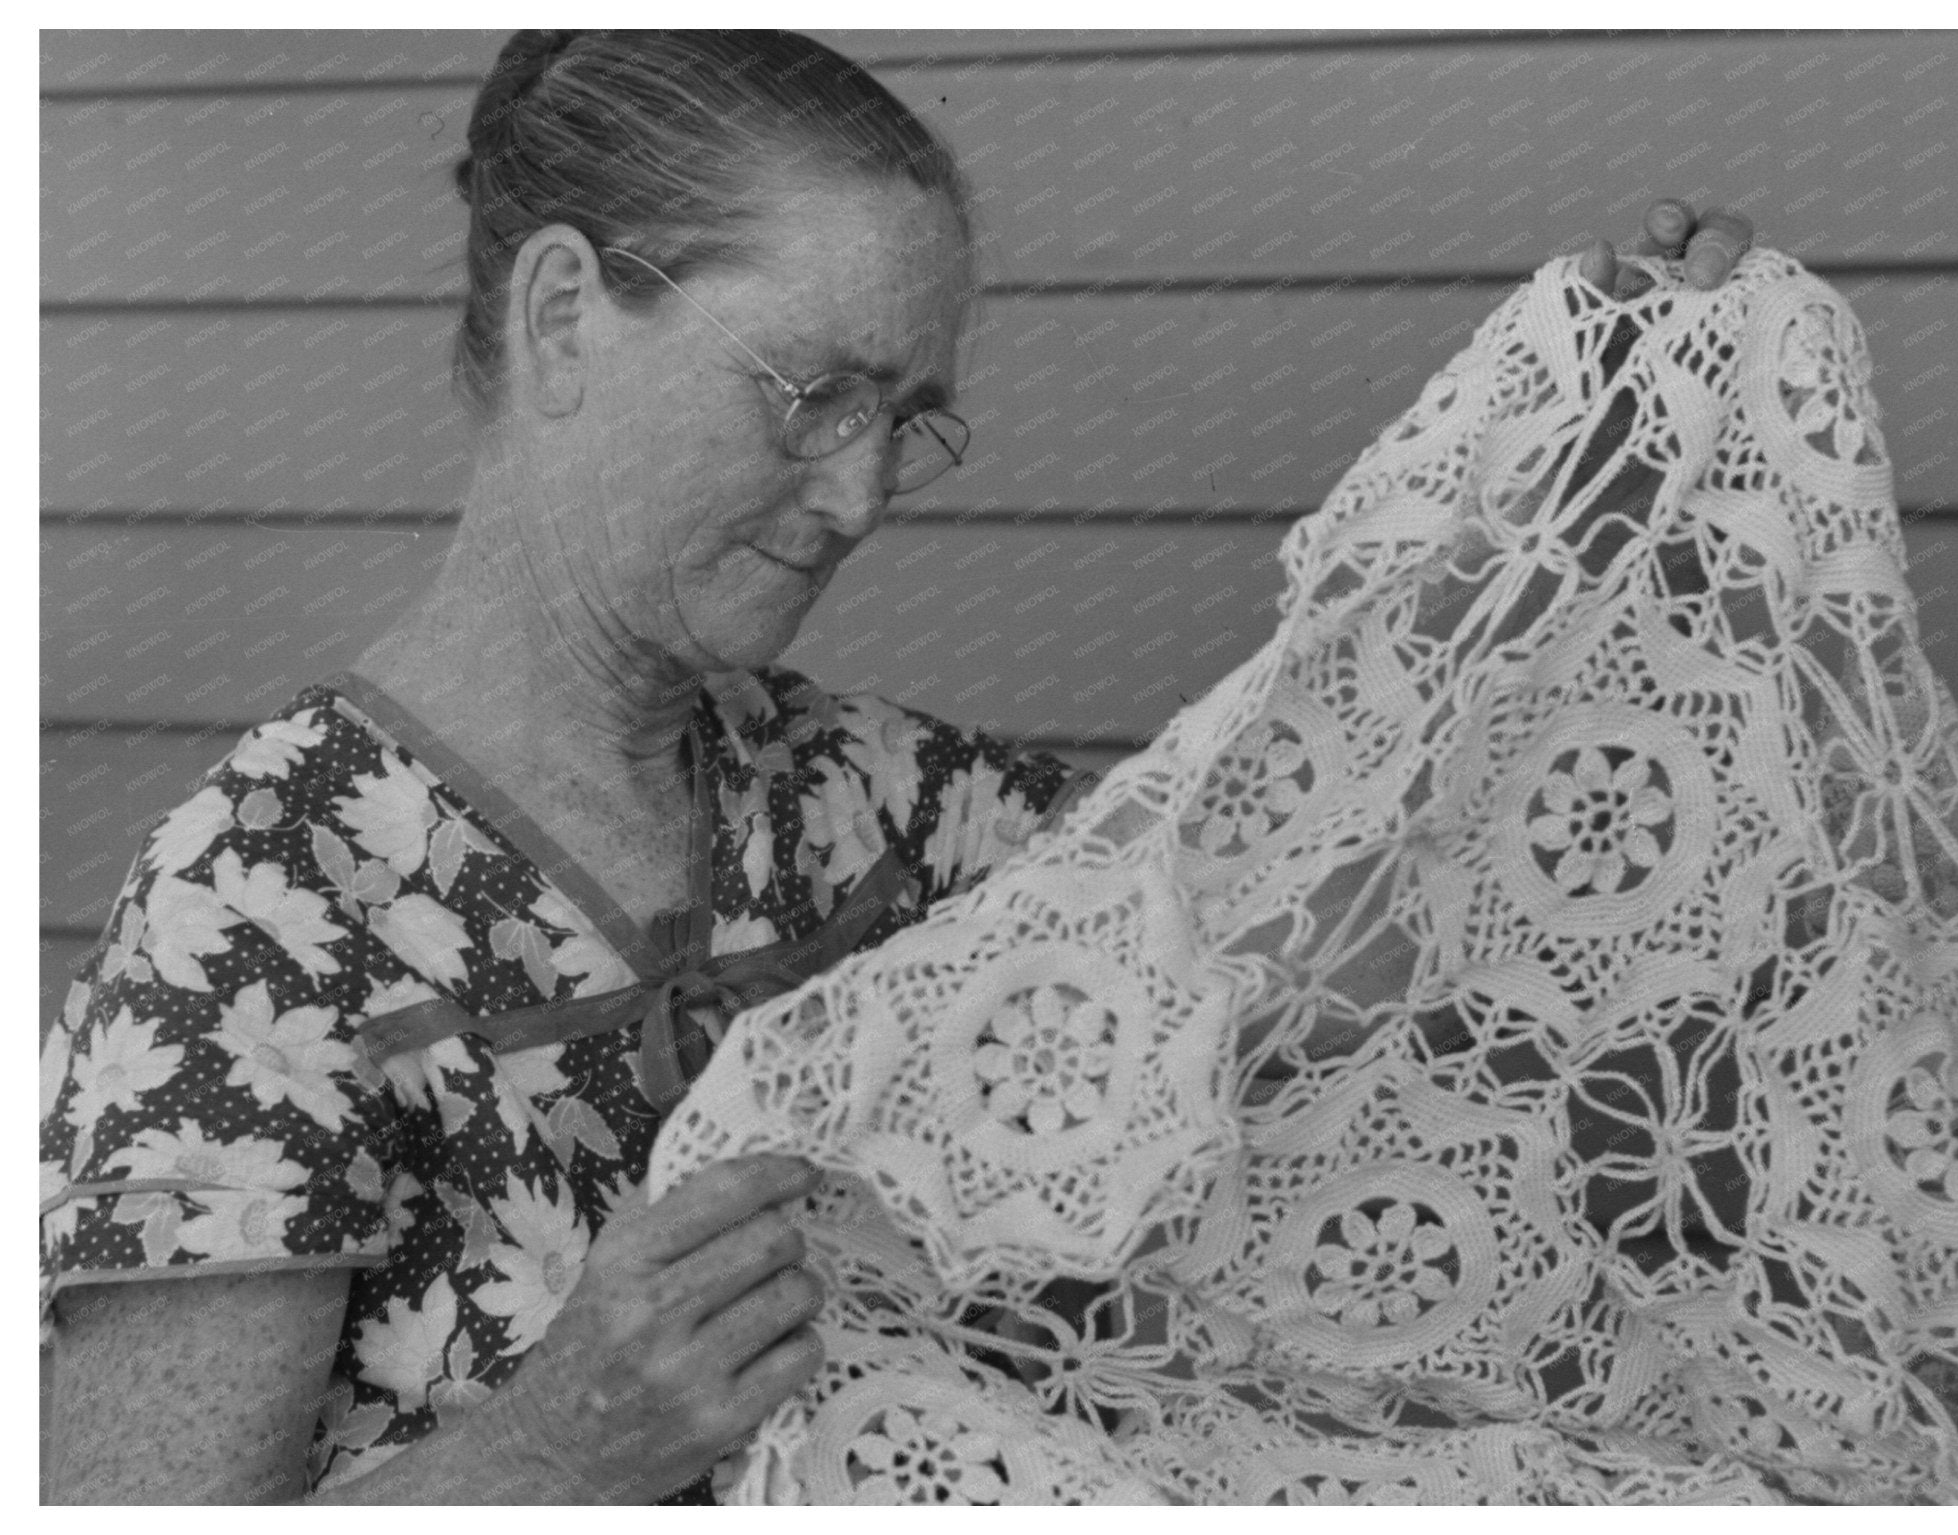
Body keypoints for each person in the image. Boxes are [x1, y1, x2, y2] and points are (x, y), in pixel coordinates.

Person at [40, 30, 1757, 1505]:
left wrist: (1587, 515)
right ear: (564, 316)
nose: (861, 497)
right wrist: (550, 1454)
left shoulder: (890, 810)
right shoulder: (258, 918)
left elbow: (1341, 957)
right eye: (813, 395)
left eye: (907, 418)